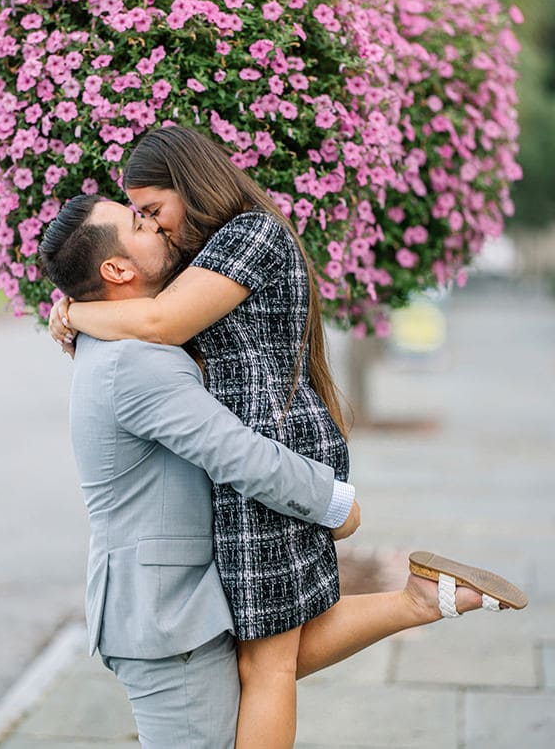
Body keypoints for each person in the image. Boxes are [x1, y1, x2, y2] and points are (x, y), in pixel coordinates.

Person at [47, 129, 527, 748]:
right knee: (275, 647)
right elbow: (154, 319)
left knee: (266, 664)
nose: (153, 225)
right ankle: (422, 599)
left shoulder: (251, 236)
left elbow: (162, 323)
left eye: (150, 210)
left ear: (187, 185)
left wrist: (72, 312)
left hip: (267, 450)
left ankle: (420, 601)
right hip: (256, 453)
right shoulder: (206, 253)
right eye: (139, 218)